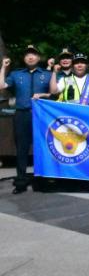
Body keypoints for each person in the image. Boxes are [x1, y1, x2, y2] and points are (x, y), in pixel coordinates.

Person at [0, 45, 52, 194]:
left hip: (41, 115)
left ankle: (42, 180)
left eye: (33, 54)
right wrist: (3, 67)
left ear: (38, 57)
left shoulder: (47, 74)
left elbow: (54, 93)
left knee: (42, 147)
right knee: (21, 149)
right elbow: (1, 85)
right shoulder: (16, 74)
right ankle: (21, 182)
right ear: (24, 58)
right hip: (22, 115)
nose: (30, 57)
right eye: (27, 54)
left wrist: (43, 95)